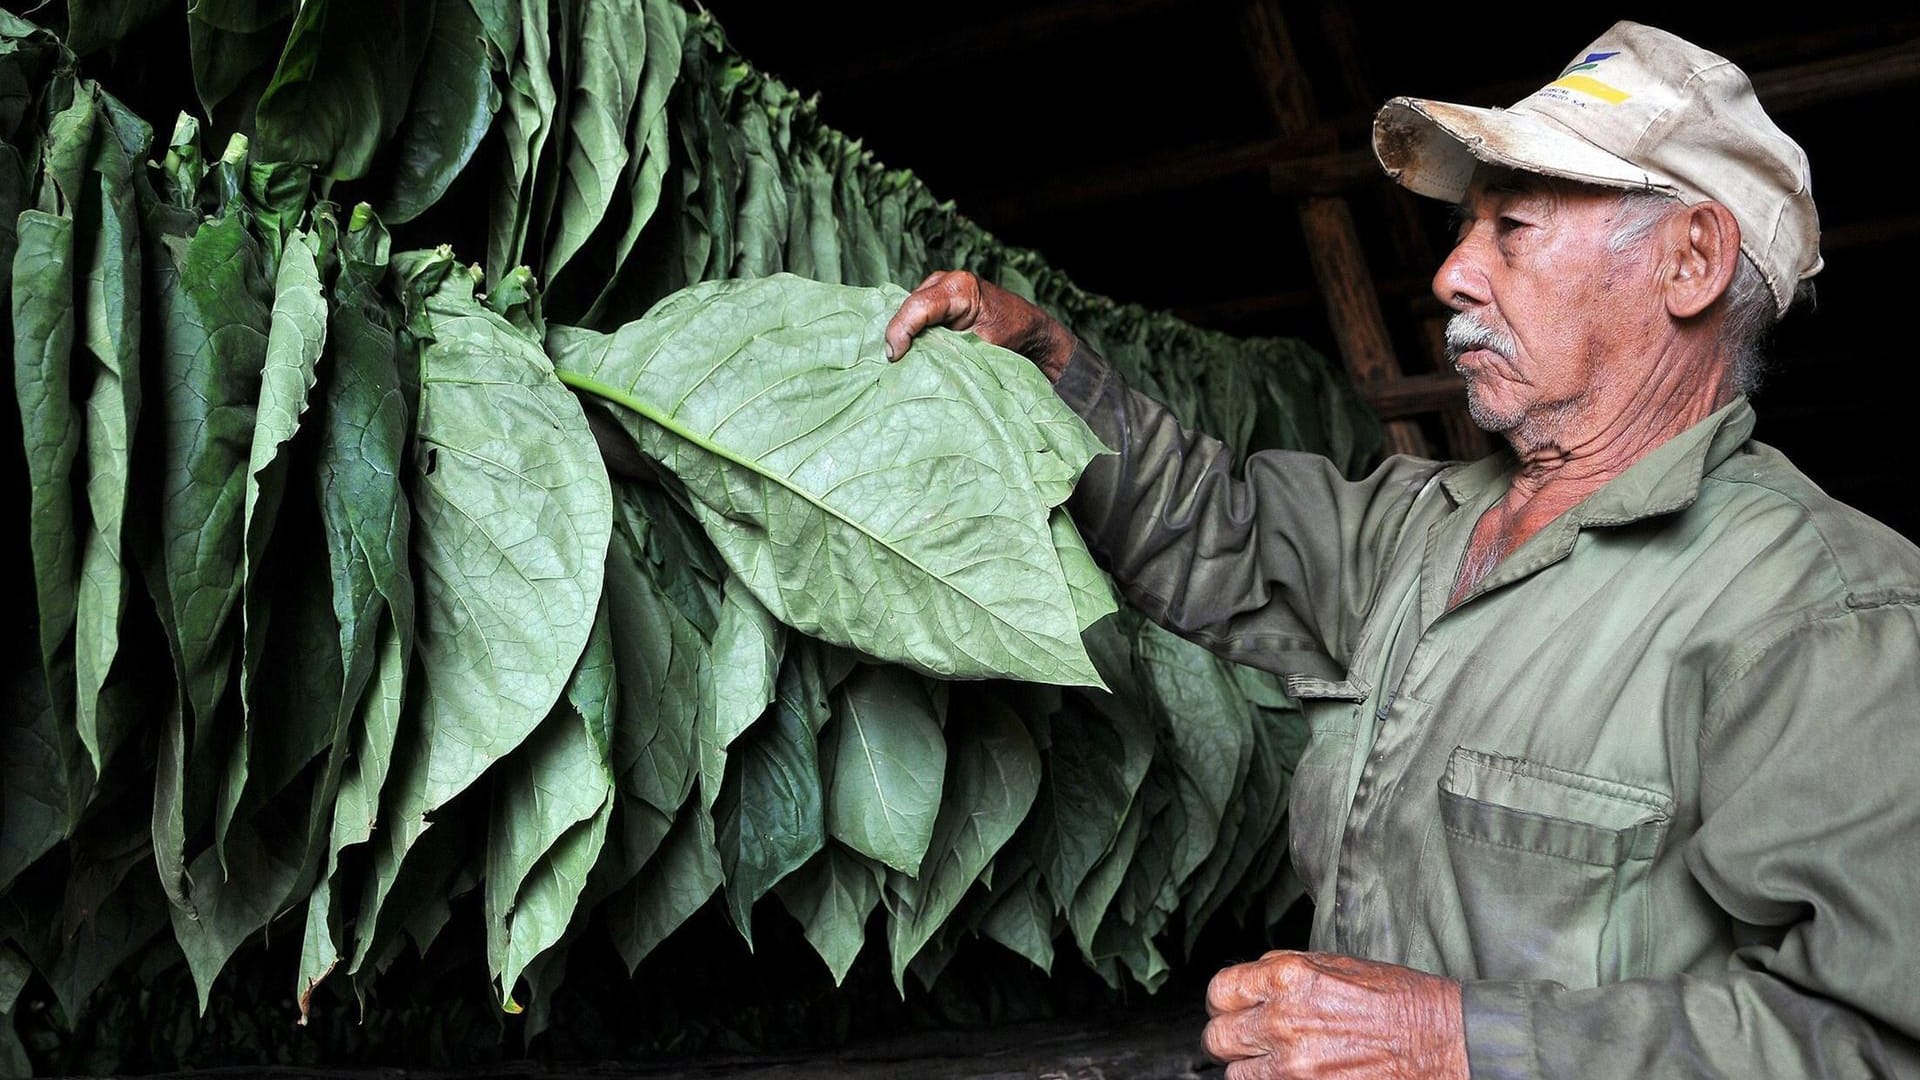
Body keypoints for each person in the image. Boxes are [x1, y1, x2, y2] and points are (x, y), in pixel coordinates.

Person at [883, 20, 1920, 1078]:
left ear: (1689, 261)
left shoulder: (1823, 612)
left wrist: (1459, 1042)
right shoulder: (1418, 524)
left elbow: (1871, 1037)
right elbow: (1213, 529)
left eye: (1510, 228)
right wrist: (1052, 365)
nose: (1452, 275)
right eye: (1466, 229)